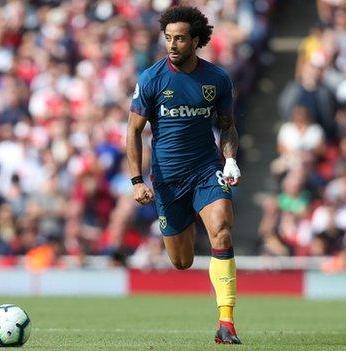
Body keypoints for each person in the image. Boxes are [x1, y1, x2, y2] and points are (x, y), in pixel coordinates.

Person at [126, 6, 242, 345]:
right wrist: (137, 181)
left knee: (222, 229)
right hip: (167, 181)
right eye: (168, 38)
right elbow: (133, 131)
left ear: (196, 40)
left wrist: (230, 159)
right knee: (181, 261)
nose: (172, 45)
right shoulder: (151, 79)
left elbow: (227, 127)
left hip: (206, 171)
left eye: (179, 39)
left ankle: (227, 322)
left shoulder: (217, 79)